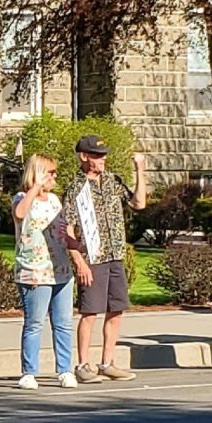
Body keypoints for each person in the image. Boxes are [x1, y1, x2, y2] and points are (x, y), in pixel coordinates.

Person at [61, 135, 146, 383]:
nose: (103, 159)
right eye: (97, 156)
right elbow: (66, 228)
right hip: (92, 257)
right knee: (90, 312)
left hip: (115, 255)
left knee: (116, 310)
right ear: (84, 157)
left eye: (104, 155)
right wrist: (79, 261)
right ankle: (82, 365)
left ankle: (108, 362)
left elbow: (138, 203)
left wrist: (140, 170)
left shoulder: (112, 181)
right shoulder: (76, 188)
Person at [12, 154, 77, 389]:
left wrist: (78, 249)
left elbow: (63, 231)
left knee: (63, 323)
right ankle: (29, 372)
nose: (54, 177)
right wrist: (36, 187)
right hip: (34, 271)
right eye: (50, 172)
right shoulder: (21, 198)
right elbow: (20, 215)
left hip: (60, 270)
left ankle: (65, 370)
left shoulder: (54, 201)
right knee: (34, 323)